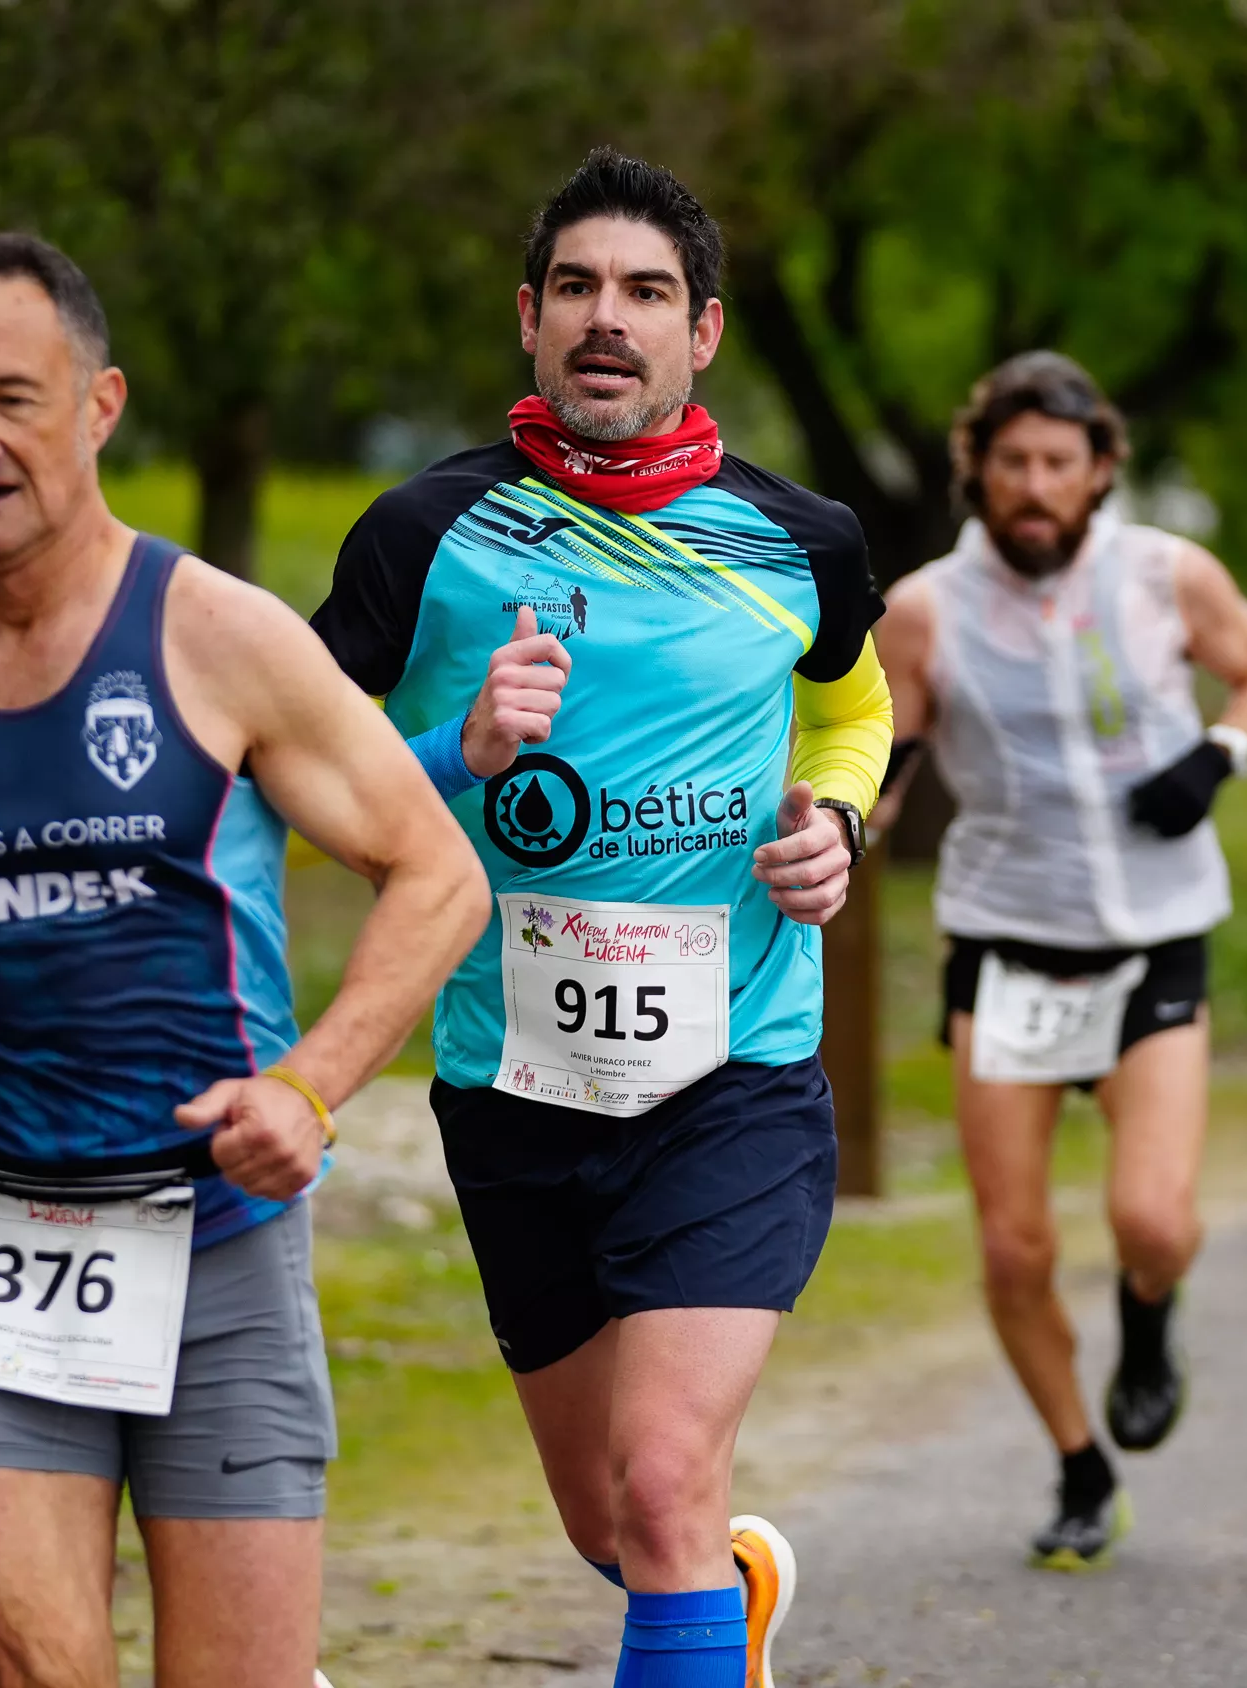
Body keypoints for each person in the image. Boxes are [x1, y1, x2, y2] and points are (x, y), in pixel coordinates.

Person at [0, 233, 488, 1688]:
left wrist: (310, 1084)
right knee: (34, 1670)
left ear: (100, 406)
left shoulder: (225, 639)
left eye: (13, 399)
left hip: (213, 1243)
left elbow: (437, 875)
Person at [308, 152, 890, 1688]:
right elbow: (288, 778)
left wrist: (835, 822)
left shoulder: (802, 541)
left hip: (734, 1075)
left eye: (645, 294)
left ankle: (699, 1581)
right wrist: (454, 758)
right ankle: (722, 1602)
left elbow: (852, 706)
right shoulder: (422, 539)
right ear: (527, 317)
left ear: (705, 331)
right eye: (576, 288)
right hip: (516, 1083)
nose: (607, 321)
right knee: (611, 1523)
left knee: (661, 1482)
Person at [872, 352, 1247, 1571]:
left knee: (1152, 1217)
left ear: (1101, 469)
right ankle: (1077, 1463)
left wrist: (1217, 755)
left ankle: (1150, 1319)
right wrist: (839, 821)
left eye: (1060, 463)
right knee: (1014, 1246)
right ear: (979, 472)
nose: (1036, 487)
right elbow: (888, 761)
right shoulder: (925, 609)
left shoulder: (1169, 573)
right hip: (1006, 945)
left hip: (1152, 935)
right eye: (1012, 463)